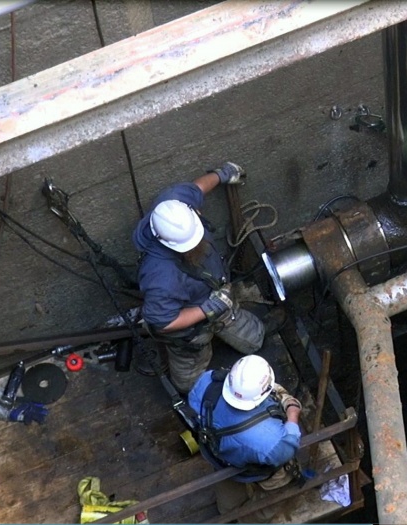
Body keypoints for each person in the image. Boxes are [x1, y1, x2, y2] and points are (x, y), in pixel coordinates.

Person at [132, 162, 271, 394]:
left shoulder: (174, 204)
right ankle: (192, 387)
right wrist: (207, 309)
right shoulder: (161, 277)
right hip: (192, 328)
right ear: (168, 244)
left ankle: (248, 336)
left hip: (219, 296)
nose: (198, 243)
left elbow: (197, 188)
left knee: (254, 338)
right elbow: (163, 321)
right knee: (190, 383)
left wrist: (221, 175)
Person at [188, 355, 303, 517]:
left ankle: (227, 513)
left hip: (219, 456)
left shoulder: (207, 382)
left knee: (228, 492)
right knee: (278, 487)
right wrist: (292, 410)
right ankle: (251, 520)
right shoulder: (272, 440)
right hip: (258, 470)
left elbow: (193, 406)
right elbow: (287, 450)